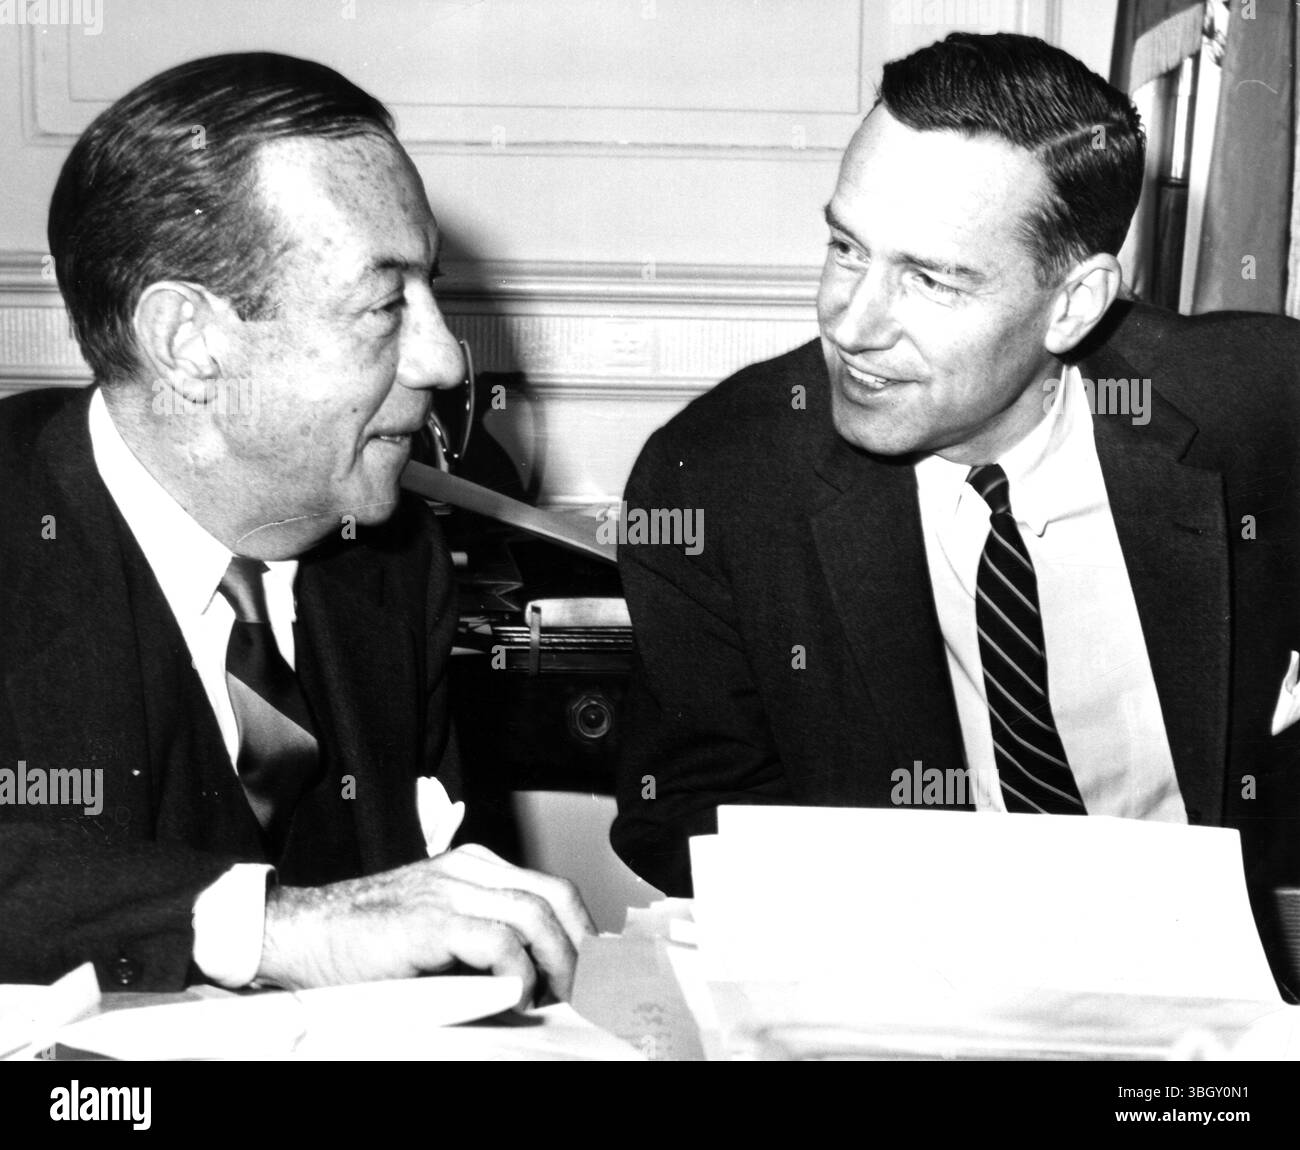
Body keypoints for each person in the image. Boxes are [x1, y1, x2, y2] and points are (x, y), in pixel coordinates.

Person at [611, 32, 1300, 979]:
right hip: (901, 992)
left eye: (930, 280)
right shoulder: (716, 479)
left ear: (1074, 304)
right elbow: (684, 805)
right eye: (846, 248)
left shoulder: (1266, 408)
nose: (849, 323)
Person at [0, 52, 592, 1002]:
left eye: (430, 293)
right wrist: (270, 925)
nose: (445, 361)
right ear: (189, 342)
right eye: (385, 304)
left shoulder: (397, 563)